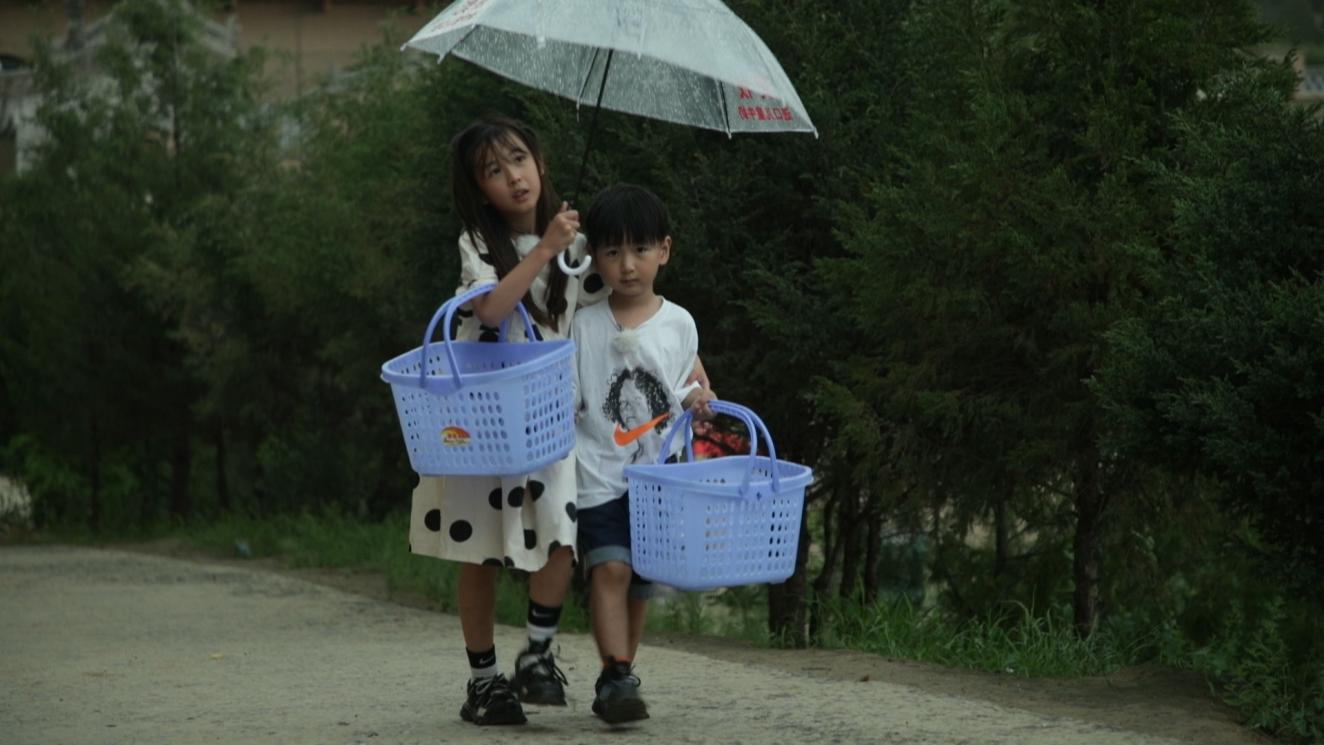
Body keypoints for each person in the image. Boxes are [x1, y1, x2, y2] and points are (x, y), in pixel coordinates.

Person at [407, 117, 707, 727]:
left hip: (550, 420)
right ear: (478, 188)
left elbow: (635, 316)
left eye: (518, 158)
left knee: (561, 539)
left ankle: (537, 657)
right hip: (486, 415)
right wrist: (544, 247)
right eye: (493, 170)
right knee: (482, 549)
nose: (512, 176)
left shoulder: (578, 246)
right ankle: (484, 680)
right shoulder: (481, 241)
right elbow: (491, 307)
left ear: (540, 161)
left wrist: (692, 368)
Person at [572, 183, 716, 724]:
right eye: (612, 252)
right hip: (599, 473)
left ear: (665, 250)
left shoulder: (679, 323)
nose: (627, 265)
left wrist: (699, 399)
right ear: (595, 258)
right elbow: (572, 396)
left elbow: (684, 384)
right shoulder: (583, 324)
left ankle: (622, 671)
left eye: (640, 250)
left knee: (639, 584)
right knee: (609, 569)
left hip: (658, 481)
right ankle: (615, 675)